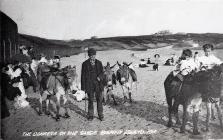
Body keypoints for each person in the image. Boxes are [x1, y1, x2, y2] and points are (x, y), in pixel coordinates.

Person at [81, 48, 104, 121]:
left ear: (95, 55)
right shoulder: (84, 64)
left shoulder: (99, 63)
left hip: (98, 85)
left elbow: (102, 73)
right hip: (89, 84)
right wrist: (83, 87)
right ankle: (90, 115)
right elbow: (83, 75)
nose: (92, 56)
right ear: (89, 55)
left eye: (94, 55)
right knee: (90, 100)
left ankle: (100, 115)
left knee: (99, 100)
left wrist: (100, 77)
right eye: (91, 55)